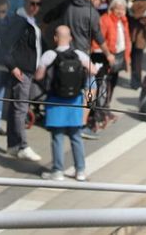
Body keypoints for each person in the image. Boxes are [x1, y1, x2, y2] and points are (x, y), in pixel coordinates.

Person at [35, 25, 94, 180]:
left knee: (57, 137)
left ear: (55, 38)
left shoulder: (49, 55)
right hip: (75, 100)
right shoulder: (79, 54)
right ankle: (80, 171)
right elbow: (93, 71)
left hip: (55, 101)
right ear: (70, 38)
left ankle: (58, 171)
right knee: (76, 136)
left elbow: (39, 76)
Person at [1, 0, 44, 162]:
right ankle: (22, 145)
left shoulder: (30, 21)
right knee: (20, 109)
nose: (35, 7)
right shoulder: (20, 21)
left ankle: (14, 145)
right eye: (32, 3)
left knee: (16, 108)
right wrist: (13, 67)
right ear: (25, 3)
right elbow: (4, 45)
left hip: (28, 70)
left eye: (38, 4)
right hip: (22, 71)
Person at [97, 0, 131, 127]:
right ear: (112, 8)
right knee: (105, 84)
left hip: (120, 55)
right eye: (118, 9)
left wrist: (127, 59)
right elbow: (100, 39)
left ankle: (107, 107)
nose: (121, 12)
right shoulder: (105, 20)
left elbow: (126, 39)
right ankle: (101, 110)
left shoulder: (123, 20)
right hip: (109, 55)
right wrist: (107, 54)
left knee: (113, 82)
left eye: (123, 9)